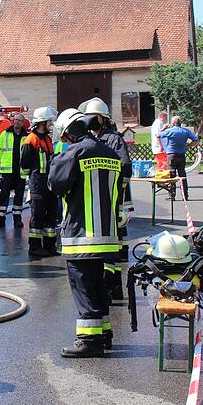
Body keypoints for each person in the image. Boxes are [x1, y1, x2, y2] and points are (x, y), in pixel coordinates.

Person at [48, 108, 126, 358]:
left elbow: (55, 184)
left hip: (82, 233)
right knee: (98, 285)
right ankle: (104, 333)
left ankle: (89, 341)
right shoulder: (110, 152)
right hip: (107, 232)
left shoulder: (74, 152)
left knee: (83, 287)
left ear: (68, 133)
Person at [78, 98, 134, 260]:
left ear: (103, 118)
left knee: (117, 219)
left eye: (94, 116)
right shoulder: (89, 139)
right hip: (98, 187)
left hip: (114, 187)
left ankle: (121, 252)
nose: (90, 120)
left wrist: (119, 187)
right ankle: (106, 249)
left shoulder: (113, 139)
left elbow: (125, 165)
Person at [21, 106, 57, 257]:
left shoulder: (47, 139)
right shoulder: (31, 140)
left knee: (51, 216)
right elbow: (24, 164)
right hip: (37, 185)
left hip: (49, 184)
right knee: (37, 217)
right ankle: (35, 248)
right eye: (49, 120)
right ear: (42, 122)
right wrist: (34, 182)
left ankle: (50, 247)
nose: (51, 123)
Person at [0, 113, 29, 229]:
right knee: (4, 195)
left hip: (20, 171)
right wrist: (4, 162)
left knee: (19, 196)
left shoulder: (26, 137)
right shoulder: (5, 134)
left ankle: (17, 220)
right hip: (7, 170)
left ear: (23, 123)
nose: (17, 122)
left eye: (19, 120)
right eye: (15, 120)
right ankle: (0, 219)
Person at [158, 116, 199, 201]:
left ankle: (172, 195)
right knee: (182, 175)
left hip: (171, 155)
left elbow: (159, 135)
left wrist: (163, 128)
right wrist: (188, 145)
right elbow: (195, 139)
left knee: (172, 176)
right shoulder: (185, 131)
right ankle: (185, 195)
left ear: (173, 123)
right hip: (181, 155)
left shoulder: (170, 131)